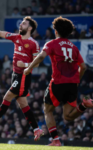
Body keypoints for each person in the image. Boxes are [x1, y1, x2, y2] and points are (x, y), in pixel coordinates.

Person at [24, 16, 93, 146]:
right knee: (67, 117)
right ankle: (84, 105)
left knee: (47, 110)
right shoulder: (74, 47)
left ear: (56, 31)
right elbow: (83, 67)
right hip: (72, 84)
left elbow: (41, 57)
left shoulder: (51, 44)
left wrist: (28, 68)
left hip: (58, 83)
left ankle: (56, 140)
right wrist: (77, 79)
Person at [0, 16, 43, 141]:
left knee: (7, 97)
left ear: (30, 28)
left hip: (23, 76)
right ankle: (36, 129)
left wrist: (26, 65)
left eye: (23, 23)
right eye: (21, 23)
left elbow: (37, 63)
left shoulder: (33, 43)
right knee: (23, 104)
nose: (21, 25)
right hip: (15, 75)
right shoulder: (16, 37)